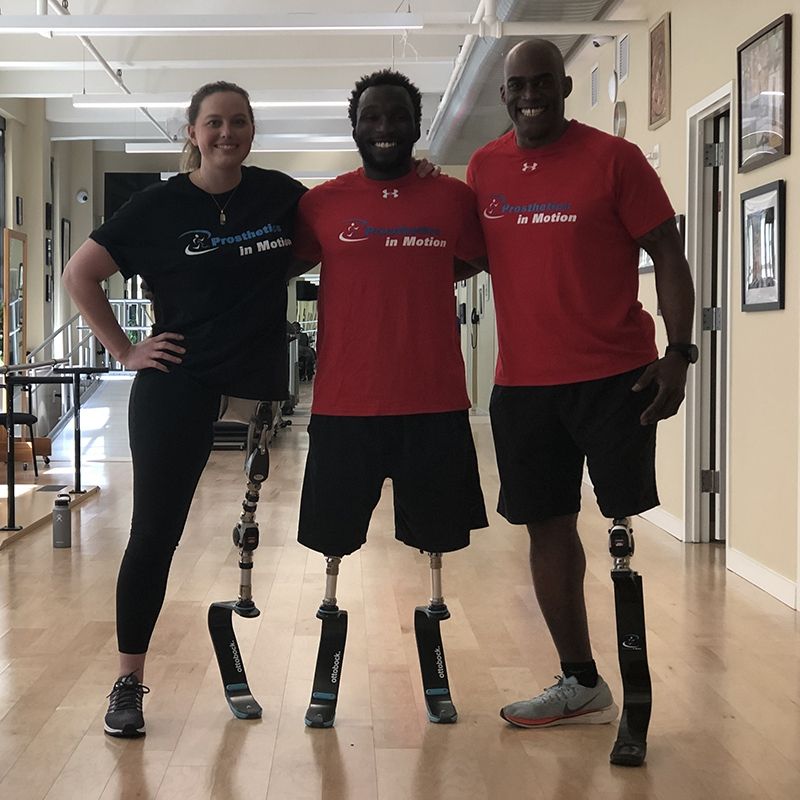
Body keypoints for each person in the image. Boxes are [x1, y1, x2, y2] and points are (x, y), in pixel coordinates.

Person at [63, 81, 307, 738]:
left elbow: (338, 235)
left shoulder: (281, 197)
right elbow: (80, 274)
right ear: (193, 132)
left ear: (252, 129)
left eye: (240, 122)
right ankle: (128, 682)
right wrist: (124, 349)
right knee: (154, 535)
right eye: (214, 123)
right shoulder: (157, 207)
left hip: (256, 386)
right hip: (177, 382)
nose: (227, 133)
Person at [466, 39, 695, 728]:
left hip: (616, 377)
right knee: (547, 527)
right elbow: (458, 258)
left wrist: (680, 353)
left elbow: (669, 254)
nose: (529, 94)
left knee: (620, 525)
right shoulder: (483, 167)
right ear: (503, 96)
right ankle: (580, 680)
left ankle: (635, 684)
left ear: (564, 86)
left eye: (542, 82)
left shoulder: (613, 159)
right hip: (526, 385)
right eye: (517, 86)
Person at [291, 69, 488, 620]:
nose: (385, 127)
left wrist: (423, 274)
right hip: (344, 405)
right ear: (353, 126)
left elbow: (484, 256)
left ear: (417, 125)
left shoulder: (452, 198)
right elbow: (271, 271)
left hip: (434, 404)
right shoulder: (322, 205)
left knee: (438, 541)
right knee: (332, 538)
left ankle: (435, 636)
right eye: (372, 117)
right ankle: (328, 623)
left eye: (398, 116)